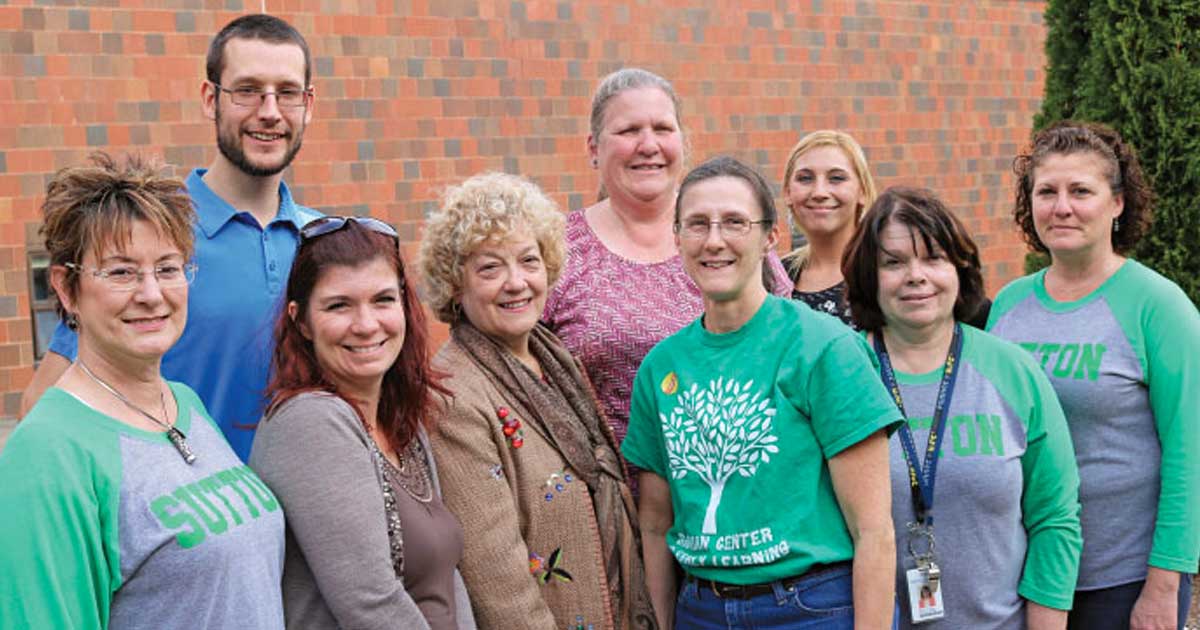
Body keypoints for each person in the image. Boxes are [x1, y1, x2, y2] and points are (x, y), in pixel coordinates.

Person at [0, 153, 285, 629]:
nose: (151, 293)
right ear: (67, 290)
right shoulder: (49, 453)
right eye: (121, 272)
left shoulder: (185, 404)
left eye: (168, 268)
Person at [21, 14, 322, 461]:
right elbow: (43, 411)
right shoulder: (147, 241)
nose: (270, 111)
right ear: (210, 98)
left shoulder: (324, 242)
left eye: (287, 92)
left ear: (308, 104)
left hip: (312, 523)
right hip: (188, 519)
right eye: (247, 90)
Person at [623, 156, 902, 629]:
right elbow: (654, 525)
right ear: (677, 238)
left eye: (735, 222)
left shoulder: (824, 347)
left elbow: (874, 531)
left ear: (770, 236)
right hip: (701, 609)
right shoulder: (661, 367)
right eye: (696, 225)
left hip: (809, 607)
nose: (714, 240)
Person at [418, 173, 656, 630]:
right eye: (489, 268)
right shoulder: (452, 396)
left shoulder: (555, 359)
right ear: (454, 285)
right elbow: (496, 577)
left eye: (529, 261)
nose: (516, 282)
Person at [988, 121, 1200, 630]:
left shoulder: (1158, 305)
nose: (1062, 207)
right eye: (1047, 192)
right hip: (1025, 572)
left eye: (1081, 190)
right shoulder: (1010, 305)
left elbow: (1191, 453)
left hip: (1121, 578)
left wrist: (1164, 586)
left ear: (1118, 204)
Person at [842, 186, 1082, 629]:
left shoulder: (1013, 371)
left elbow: (1055, 518)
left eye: (933, 258)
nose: (916, 276)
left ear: (960, 269)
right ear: (869, 277)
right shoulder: (839, 374)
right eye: (893, 262)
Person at [541, 68, 792, 490]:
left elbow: (787, 349)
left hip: (746, 497)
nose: (648, 145)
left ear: (682, 142)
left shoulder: (732, 236)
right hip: (609, 510)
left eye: (662, 128)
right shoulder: (555, 251)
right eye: (628, 130)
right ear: (593, 148)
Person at [249, 217, 475, 630]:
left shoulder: (400, 423)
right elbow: (370, 604)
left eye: (383, 300)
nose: (367, 324)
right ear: (301, 322)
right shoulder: (310, 423)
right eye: (339, 305)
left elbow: (447, 577)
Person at [780, 130, 878, 326]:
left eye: (836, 178)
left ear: (863, 191)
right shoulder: (777, 276)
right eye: (805, 178)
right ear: (788, 193)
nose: (819, 192)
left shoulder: (884, 268)